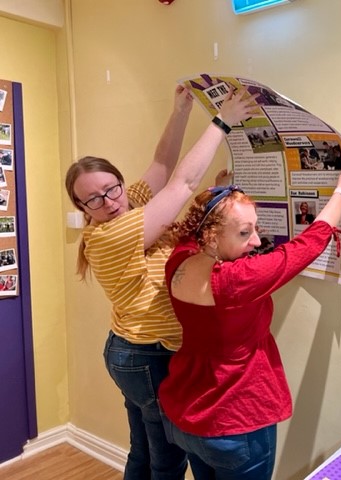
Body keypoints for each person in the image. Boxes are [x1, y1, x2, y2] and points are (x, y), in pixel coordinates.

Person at [64, 84, 257, 480]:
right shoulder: (109, 235)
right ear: (81, 208)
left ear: (120, 182)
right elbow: (180, 186)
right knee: (169, 460)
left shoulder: (129, 203)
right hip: (147, 357)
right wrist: (222, 122)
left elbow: (162, 166)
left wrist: (181, 109)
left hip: (133, 352)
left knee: (144, 452)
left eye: (111, 188)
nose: (109, 201)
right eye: (93, 200)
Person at [158, 164, 341, 479]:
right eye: (244, 233)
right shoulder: (235, 279)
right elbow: (306, 246)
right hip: (235, 421)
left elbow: (191, 230)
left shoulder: (178, 261)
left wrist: (219, 192)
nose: (256, 241)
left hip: (185, 416)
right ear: (212, 236)